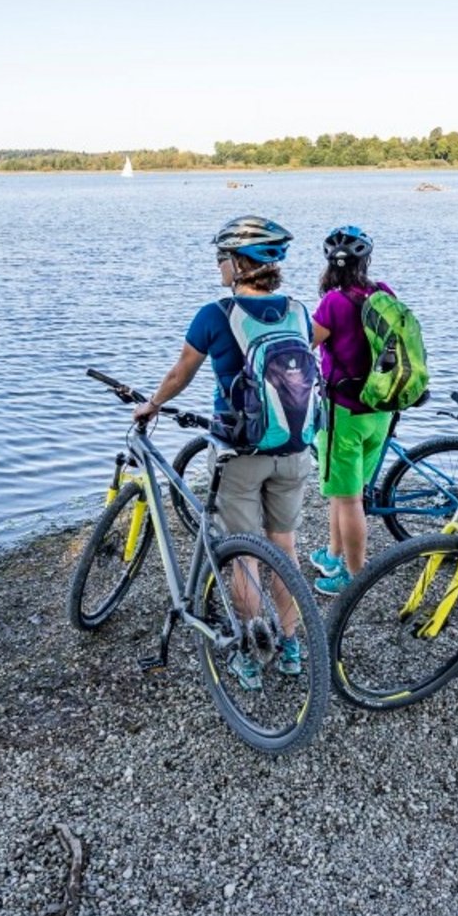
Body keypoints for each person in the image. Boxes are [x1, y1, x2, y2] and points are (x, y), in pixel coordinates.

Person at [133, 216, 314, 689]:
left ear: (237, 264)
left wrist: (152, 406)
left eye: (221, 258)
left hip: (239, 454)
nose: (218, 267)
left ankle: (252, 656)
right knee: (285, 547)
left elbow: (180, 375)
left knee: (244, 556)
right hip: (295, 448)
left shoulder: (215, 315)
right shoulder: (299, 310)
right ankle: (292, 647)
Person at [305, 226, 395, 596]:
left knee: (350, 497)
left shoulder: (333, 304)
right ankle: (331, 554)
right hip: (381, 409)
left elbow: (306, 343)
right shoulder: (383, 293)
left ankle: (354, 578)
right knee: (345, 493)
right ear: (365, 261)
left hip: (344, 412)